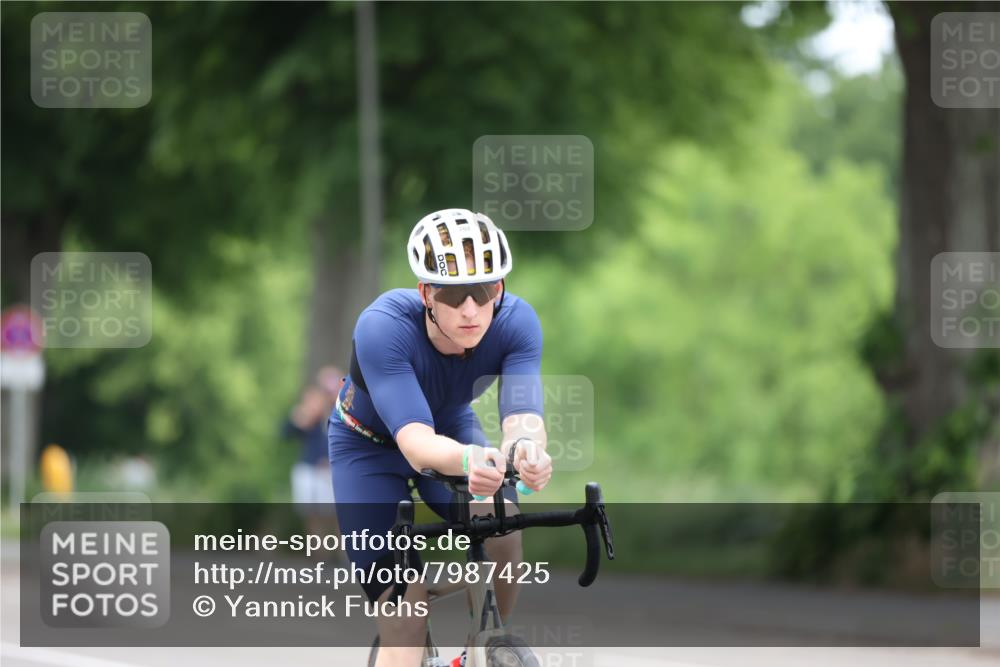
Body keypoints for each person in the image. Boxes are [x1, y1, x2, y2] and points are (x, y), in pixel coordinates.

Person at [328, 208, 553, 667]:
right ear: (426, 293)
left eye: (484, 291)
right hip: (367, 447)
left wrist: (526, 450)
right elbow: (415, 443)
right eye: (452, 294)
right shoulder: (382, 327)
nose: (470, 309)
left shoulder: (517, 322)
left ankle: (485, 644)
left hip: (451, 426)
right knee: (405, 630)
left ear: (500, 289)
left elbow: (523, 415)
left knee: (503, 521)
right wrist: (475, 461)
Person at [283, 375, 342, 556]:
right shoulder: (308, 414)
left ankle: (343, 554)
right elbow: (286, 433)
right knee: (312, 513)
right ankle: (320, 554)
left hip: (333, 470)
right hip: (309, 468)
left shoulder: (341, 412)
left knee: (337, 514)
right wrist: (302, 417)